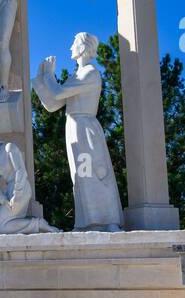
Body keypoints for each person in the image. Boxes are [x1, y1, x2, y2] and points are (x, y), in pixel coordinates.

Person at [32, 32, 124, 231]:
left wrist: (49, 76)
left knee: (95, 172)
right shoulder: (77, 75)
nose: (70, 47)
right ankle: (87, 222)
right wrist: (40, 80)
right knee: (81, 177)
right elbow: (52, 104)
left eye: (74, 43)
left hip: (85, 127)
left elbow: (57, 92)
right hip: (74, 126)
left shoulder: (90, 73)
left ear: (83, 47)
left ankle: (108, 221)